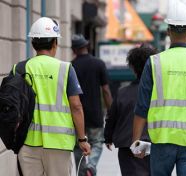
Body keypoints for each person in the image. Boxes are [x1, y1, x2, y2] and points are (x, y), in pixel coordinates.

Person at [132, 1, 186, 176]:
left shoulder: (154, 62)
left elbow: (142, 106)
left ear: (168, 31)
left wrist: (135, 139)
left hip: (162, 140)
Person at [16, 17, 90, 176]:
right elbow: (76, 106)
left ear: (33, 43)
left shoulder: (20, 68)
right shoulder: (65, 69)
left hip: (27, 142)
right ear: (55, 42)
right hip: (59, 143)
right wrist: (82, 139)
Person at [104, 44, 157, 176]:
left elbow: (112, 117)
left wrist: (108, 137)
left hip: (128, 145)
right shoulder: (160, 93)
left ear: (133, 68)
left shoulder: (122, 93)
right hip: (156, 144)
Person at [71, 34, 112, 176]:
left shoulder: (71, 66)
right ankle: (91, 165)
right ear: (86, 46)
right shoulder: (98, 64)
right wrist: (111, 112)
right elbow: (106, 90)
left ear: (74, 49)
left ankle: (82, 173)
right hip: (95, 112)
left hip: (76, 114)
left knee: (78, 146)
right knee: (97, 142)